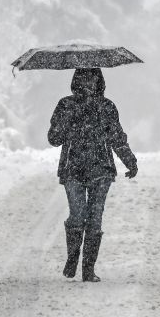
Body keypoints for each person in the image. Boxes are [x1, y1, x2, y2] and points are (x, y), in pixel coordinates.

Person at [47, 68, 138, 283]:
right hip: (73, 170)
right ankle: (73, 256)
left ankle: (88, 268)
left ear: (99, 81)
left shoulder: (106, 107)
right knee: (77, 216)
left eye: (93, 78)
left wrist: (130, 160)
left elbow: (117, 136)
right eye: (84, 78)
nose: (89, 82)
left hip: (101, 170)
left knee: (95, 220)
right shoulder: (66, 105)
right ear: (77, 81)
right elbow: (53, 138)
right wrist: (68, 120)